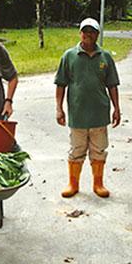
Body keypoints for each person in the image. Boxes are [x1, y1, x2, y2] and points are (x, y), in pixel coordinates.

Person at [55, 18, 121, 198]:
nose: (88, 35)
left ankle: (98, 183)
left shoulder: (105, 57)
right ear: (80, 33)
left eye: (92, 31)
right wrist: (59, 109)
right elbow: (61, 84)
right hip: (77, 114)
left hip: (99, 113)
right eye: (85, 31)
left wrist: (117, 108)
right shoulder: (69, 56)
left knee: (99, 149)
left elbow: (113, 85)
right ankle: (73, 183)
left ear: (97, 35)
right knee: (77, 150)